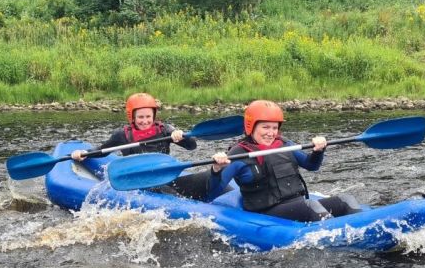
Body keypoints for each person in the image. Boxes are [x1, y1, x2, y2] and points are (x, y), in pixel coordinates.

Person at [207, 100, 362, 222]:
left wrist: (318, 151)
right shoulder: (238, 153)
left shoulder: (284, 144)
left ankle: (366, 228)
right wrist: (216, 169)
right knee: (310, 206)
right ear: (251, 127)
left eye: (275, 128)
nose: (271, 133)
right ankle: (338, 238)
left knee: (345, 200)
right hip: (266, 211)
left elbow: (311, 165)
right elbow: (213, 192)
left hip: (297, 204)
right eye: (265, 127)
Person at [71, 92, 210, 200]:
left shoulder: (165, 130)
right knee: (172, 195)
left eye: (148, 117)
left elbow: (192, 146)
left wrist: (182, 136)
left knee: (193, 184)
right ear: (132, 117)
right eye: (140, 117)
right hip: (137, 179)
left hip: (163, 175)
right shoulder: (122, 135)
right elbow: (102, 151)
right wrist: (84, 153)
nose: (145, 121)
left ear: (154, 116)